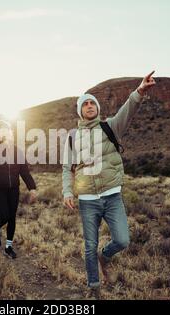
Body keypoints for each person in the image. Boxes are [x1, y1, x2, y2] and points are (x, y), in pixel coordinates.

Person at [62, 71, 156, 294]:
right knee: (88, 246)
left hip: (112, 196)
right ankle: (94, 289)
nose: (89, 106)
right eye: (84, 104)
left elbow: (128, 110)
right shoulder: (73, 136)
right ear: (80, 111)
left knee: (123, 240)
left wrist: (139, 91)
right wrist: (67, 191)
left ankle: (105, 257)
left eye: (92, 103)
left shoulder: (110, 126)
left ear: (97, 108)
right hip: (87, 200)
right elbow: (68, 168)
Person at [0, 120, 37, 259]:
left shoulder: (17, 151)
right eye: (2, 129)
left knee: (12, 217)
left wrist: (32, 188)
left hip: (14, 189)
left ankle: (8, 246)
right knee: (5, 215)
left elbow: (24, 171)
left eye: (7, 129)